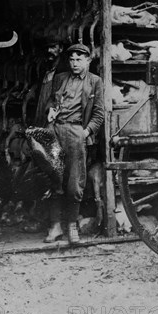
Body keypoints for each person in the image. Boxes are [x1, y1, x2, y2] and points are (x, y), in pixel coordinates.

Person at [44, 43, 104, 244]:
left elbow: (99, 114)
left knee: (74, 182)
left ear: (88, 61)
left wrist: (85, 132)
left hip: (76, 133)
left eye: (79, 59)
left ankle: (71, 226)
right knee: (55, 177)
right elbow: (51, 102)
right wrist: (51, 111)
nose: (75, 63)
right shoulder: (60, 78)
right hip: (56, 130)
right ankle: (54, 226)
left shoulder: (95, 82)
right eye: (72, 59)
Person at [34, 34, 69, 128]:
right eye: (47, 48)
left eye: (53, 47)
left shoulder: (65, 70)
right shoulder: (44, 68)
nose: (49, 51)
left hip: (55, 116)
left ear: (61, 49)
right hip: (41, 113)